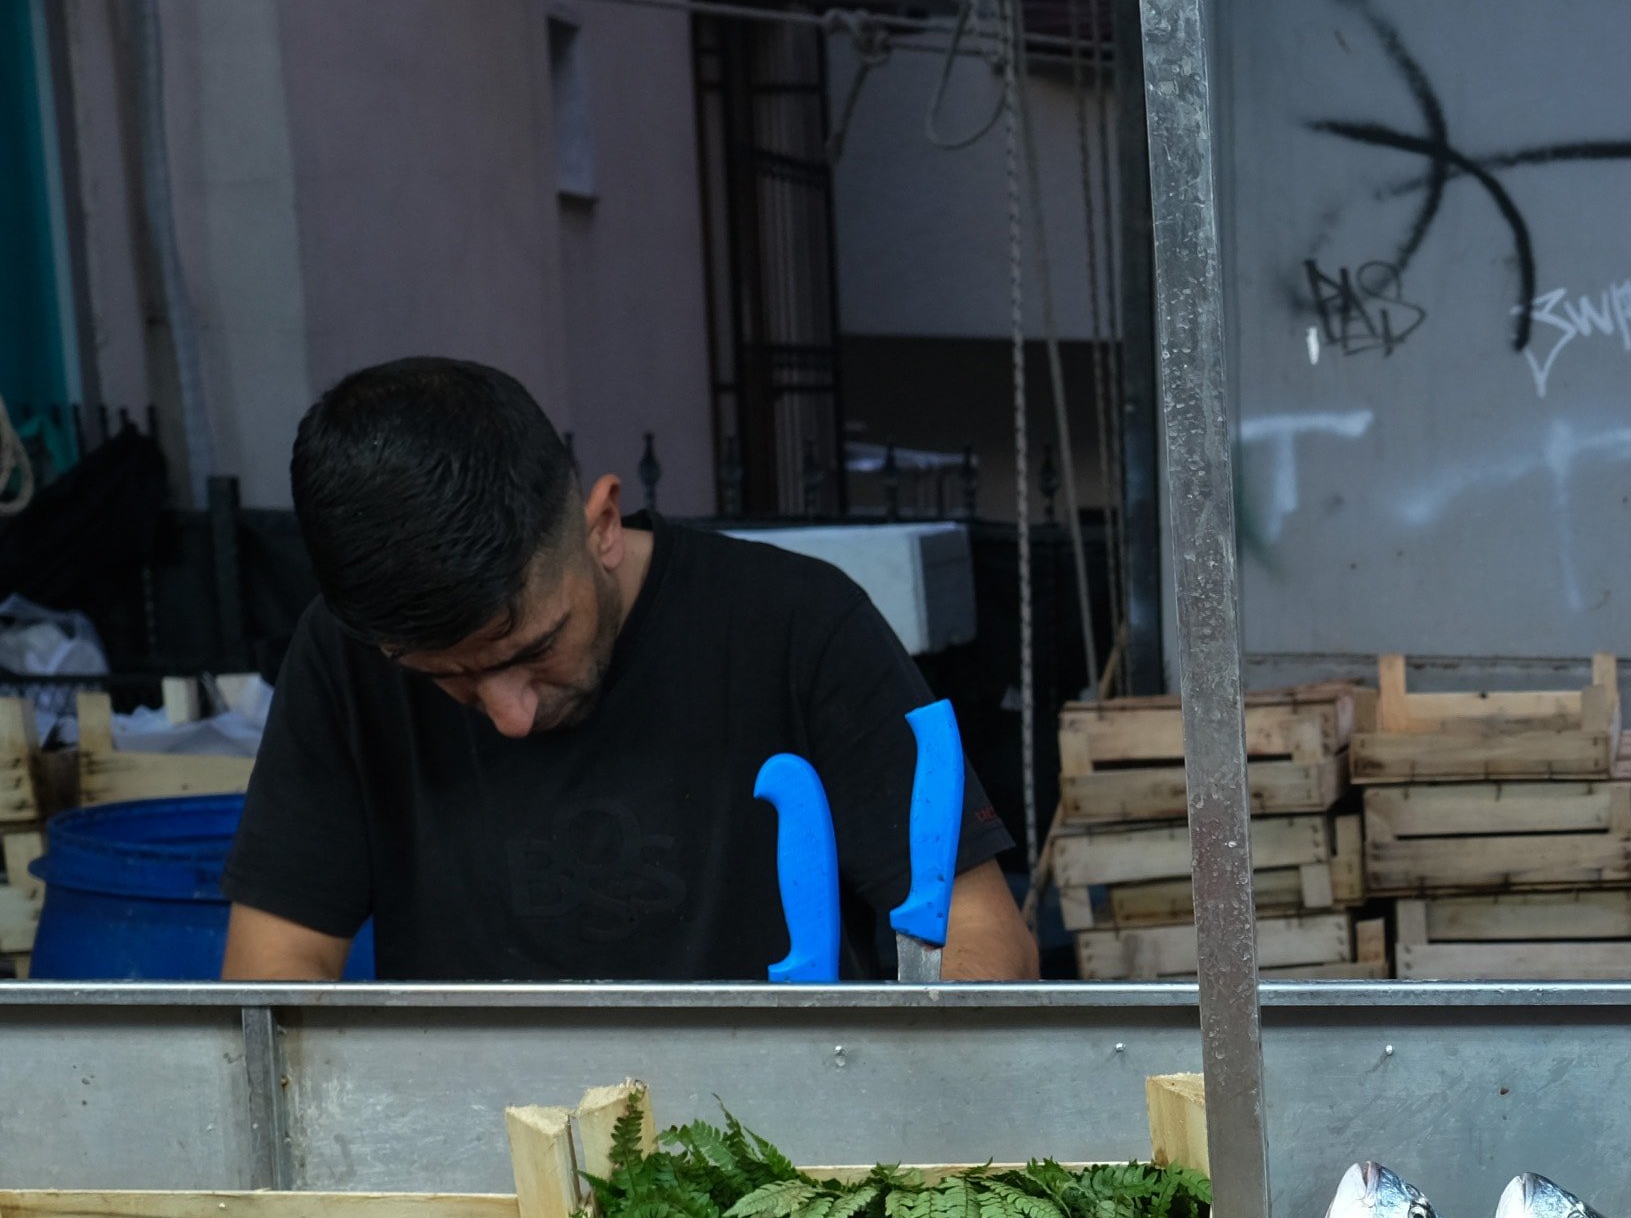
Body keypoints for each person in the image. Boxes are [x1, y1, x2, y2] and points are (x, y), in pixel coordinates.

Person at [219, 359, 1035, 980]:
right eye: (450, 679)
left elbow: (979, 939)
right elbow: (277, 963)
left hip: (785, 1166)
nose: (510, 715)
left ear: (601, 524)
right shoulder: (345, 655)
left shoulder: (797, 624)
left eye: (535, 649)